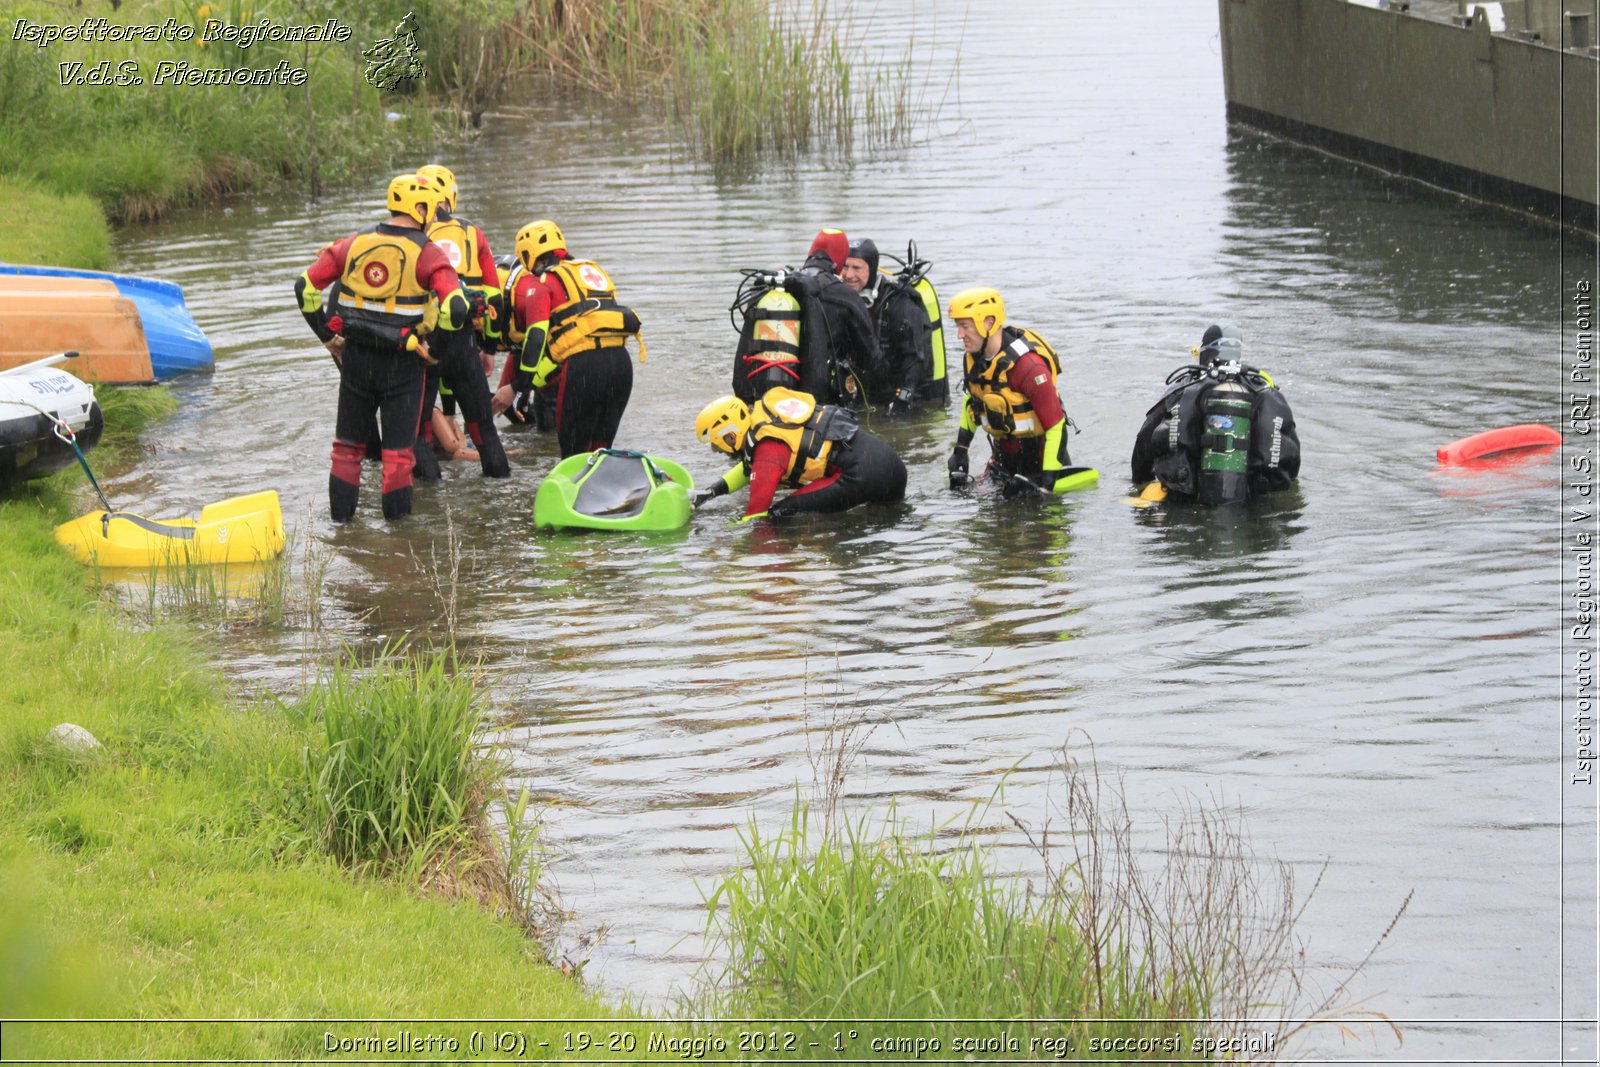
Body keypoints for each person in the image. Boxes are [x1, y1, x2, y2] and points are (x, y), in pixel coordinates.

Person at [294, 172, 468, 521]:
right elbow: (457, 307)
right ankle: (398, 549)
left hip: (356, 360)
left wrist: (328, 337)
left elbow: (305, 288)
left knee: (346, 451)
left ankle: (341, 532)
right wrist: (435, 350)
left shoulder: (353, 243)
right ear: (418, 208)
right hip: (403, 365)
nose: (431, 218)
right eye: (430, 211)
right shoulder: (428, 253)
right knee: (398, 457)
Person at [490, 220, 643, 458]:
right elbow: (570, 342)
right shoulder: (593, 271)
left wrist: (518, 387)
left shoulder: (543, 283)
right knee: (602, 451)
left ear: (528, 254)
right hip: (622, 366)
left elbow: (536, 338)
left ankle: (571, 494)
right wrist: (526, 384)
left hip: (584, 369)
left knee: (573, 455)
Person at [409, 162, 510, 480]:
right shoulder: (473, 233)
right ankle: (498, 485)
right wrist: (490, 348)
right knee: (484, 429)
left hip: (424, 344)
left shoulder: (410, 236)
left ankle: (432, 507)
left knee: (418, 435)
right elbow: (495, 299)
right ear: (449, 198)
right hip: (463, 342)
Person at [1131, 324, 1300, 505]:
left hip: (1186, 501)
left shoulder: (1184, 388)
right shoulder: (1264, 390)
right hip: (1251, 504)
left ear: (1203, 353)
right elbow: (1291, 460)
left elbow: (1144, 443)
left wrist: (1139, 482)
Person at [692, 387, 907, 520]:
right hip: (891, 467)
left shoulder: (767, 447)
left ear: (729, 435)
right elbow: (751, 469)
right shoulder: (765, 422)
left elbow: (755, 513)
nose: (717, 451)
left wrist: (724, 543)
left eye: (716, 445)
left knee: (778, 514)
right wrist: (712, 492)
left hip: (860, 475)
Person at [944, 286, 1075, 496]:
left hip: (1040, 470)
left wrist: (1046, 485)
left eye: (965, 326)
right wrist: (961, 450)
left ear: (988, 322)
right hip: (1002, 466)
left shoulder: (1029, 367)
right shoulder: (973, 359)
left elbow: (1056, 427)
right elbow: (972, 401)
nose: (959, 335)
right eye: (957, 327)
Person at [730, 229, 880, 408]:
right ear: (839, 261)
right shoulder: (845, 296)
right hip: (818, 404)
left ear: (811, 254)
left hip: (763, 398)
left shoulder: (776, 286)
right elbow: (870, 358)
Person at [839, 237, 946, 414]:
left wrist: (902, 400)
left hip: (901, 398)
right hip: (866, 394)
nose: (849, 275)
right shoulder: (842, 300)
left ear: (872, 269)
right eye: (845, 267)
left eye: (857, 268)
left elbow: (916, 360)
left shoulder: (899, 303)